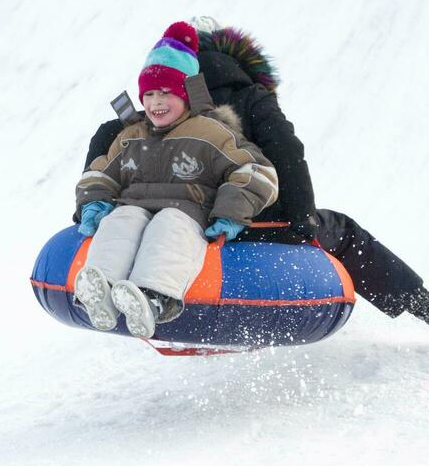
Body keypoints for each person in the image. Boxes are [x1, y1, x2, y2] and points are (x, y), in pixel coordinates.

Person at [84, 21, 429, 338]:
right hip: (257, 222)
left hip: (171, 217)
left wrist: (89, 208)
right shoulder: (250, 96)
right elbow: (287, 151)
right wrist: (302, 220)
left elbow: (108, 138)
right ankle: (427, 305)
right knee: (343, 232)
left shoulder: (158, 104)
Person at [73, 21, 279, 339]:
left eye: (167, 93)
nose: (157, 103)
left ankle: (155, 299)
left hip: (187, 210)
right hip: (135, 206)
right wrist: (95, 201)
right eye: (150, 94)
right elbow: (103, 171)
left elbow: (255, 172)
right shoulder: (131, 136)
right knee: (121, 219)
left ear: (187, 94)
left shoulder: (211, 132)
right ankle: (102, 290)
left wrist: (231, 212)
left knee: (169, 224)